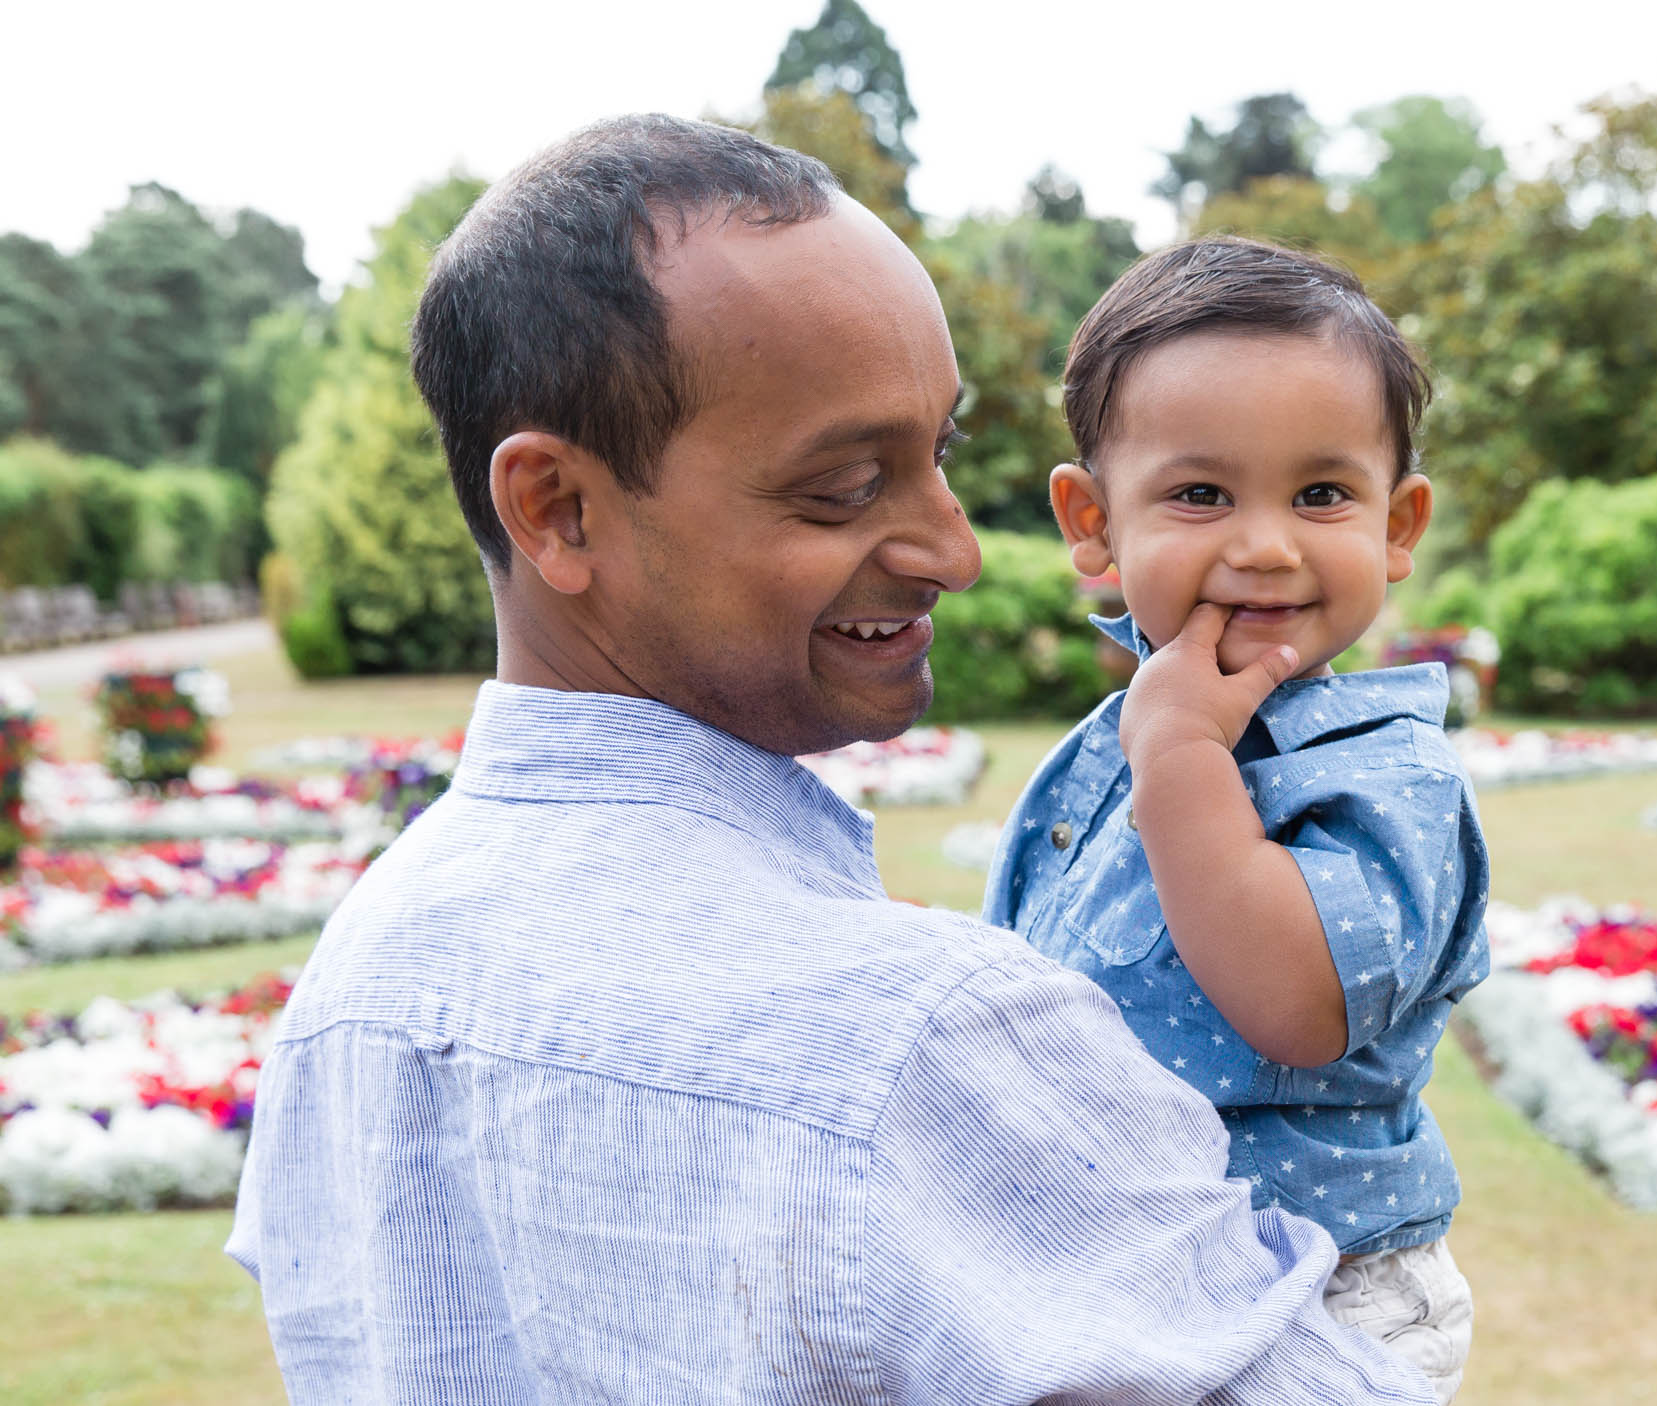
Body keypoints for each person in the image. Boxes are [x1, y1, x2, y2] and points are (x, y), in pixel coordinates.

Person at [225, 116, 1433, 1404]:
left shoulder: (362, 981)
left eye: (940, 454)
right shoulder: (904, 1039)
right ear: (557, 509)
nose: (954, 550)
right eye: (846, 485)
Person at [983, 237, 1493, 1402]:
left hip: (1319, 1295)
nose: (1265, 545)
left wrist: (1179, 756)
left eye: (1321, 494)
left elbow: (1296, 1007)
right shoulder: (1105, 748)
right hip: (1133, 1282)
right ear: (1093, 524)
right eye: (1201, 493)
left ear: (1397, 522)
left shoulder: (1382, 773)